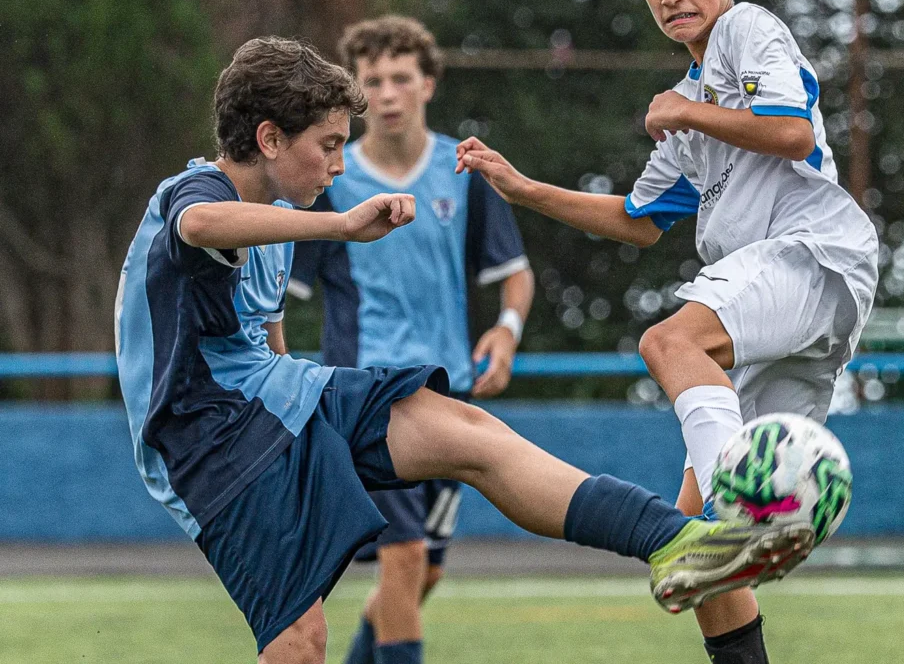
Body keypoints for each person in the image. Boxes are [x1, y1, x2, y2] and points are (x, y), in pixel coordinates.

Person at [114, 36, 814, 664]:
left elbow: (265, 330)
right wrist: (342, 227)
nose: (339, 160)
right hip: (212, 444)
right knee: (300, 644)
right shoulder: (197, 190)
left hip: (285, 395)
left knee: (471, 433)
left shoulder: (287, 216)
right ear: (268, 138)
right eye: (328, 144)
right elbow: (202, 224)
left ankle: (676, 539)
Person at [455, 0, 878, 664]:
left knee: (669, 341)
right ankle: (738, 541)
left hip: (813, 251)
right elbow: (637, 220)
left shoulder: (746, 32)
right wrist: (523, 188)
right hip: (779, 304)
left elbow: (787, 131)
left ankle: (742, 511)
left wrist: (686, 116)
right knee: (690, 554)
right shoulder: (687, 99)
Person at [286, 16, 535, 664]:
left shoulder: (463, 171)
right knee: (402, 558)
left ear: (428, 83)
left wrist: (505, 336)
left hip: (448, 396)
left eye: (401, 77)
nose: (389, 92)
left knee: (422, 573)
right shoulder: (328, 183)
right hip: (366, 402)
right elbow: (280, 289)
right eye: (373, 81)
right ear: (356, 95)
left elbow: (515, 276)